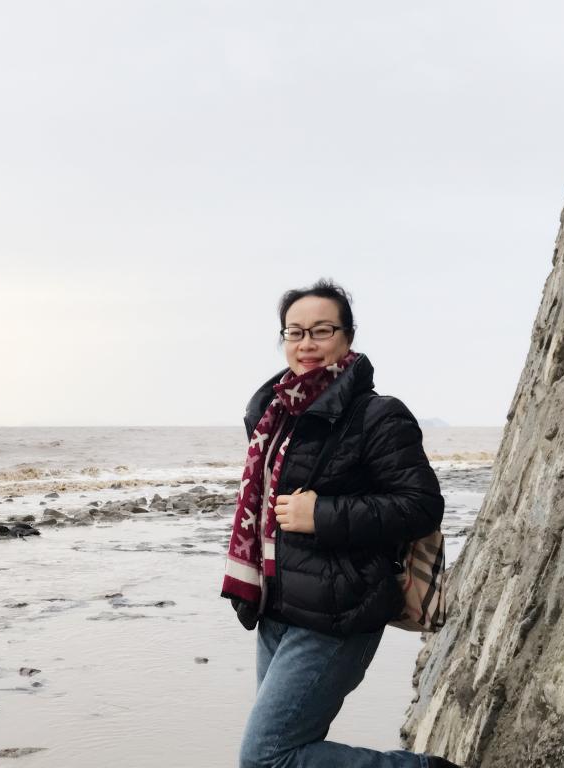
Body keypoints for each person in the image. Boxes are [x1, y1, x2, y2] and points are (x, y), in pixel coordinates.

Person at [221, 279, 463, 768]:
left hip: (341, 608)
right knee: (286, 752)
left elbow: (421, 506)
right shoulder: (274, 416)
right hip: (277, 607)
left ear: (348, 336)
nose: (306, 343)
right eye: (294, 332)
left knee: (268, 757)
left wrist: (321, 515)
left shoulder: (377, 415)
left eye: (321, 330)